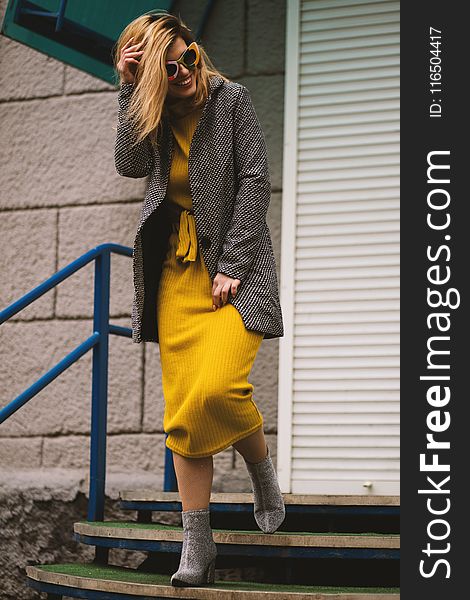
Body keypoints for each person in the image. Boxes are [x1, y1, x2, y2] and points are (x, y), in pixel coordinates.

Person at [113, 10, 285, 587]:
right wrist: (128, 87)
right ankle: (198, 542)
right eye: (170, 65)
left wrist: (233, 265)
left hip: (233, 269)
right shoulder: (154, 113)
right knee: (184, 412)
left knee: (218, 388)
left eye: (189, 56)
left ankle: (260, 467)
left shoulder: (230, 99)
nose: (185, 69)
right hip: (174, 277)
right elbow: (129, 164)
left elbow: (255, 180)